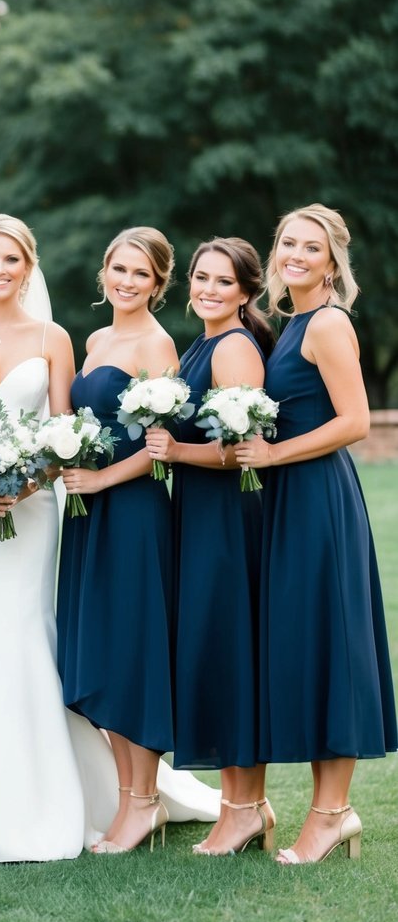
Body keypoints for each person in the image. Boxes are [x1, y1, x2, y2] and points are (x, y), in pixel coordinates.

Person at [0, 215, 218, 863]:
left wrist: (32, 475)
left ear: (28, 265)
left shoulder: (58, 337)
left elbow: (70, 429)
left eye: (11, 259)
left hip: (38, 506)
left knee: (26, 631)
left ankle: (61, 800)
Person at [235, 204, 396, 864]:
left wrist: (273, 455)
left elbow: (356, 421)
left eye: (311, 247)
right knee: (306, 642)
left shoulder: (326, 324)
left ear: (332, 262)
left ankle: (331, 814)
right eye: (286, 244)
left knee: (330, 641)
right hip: (289, 500)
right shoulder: (289, 322)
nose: (295, 255)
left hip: (317, 497)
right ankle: (330, 811)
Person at [57, 226, 219, 854]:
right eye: (117, 269)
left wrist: (98, 479)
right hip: (87, 513)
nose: (126, 281)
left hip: (131, 512)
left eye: (140, 273)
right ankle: (130, 801)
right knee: (101, 649)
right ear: (104, 273)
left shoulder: (157, 346)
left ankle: (143, 802)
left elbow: (160, 453)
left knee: (133, 652)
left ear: (158, 284)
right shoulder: (95, 339)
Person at [145, 237, 276, 856]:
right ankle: (246, 803)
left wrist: (176, 451)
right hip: (198, 514)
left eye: (224, 282)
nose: (208, 290)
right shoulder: (202, 342)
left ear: (246, 292)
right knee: (219, 651)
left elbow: (242, 451)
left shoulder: (232, 348)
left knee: (230, 652)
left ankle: (242, 811)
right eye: (201, 278)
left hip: (228, 520)